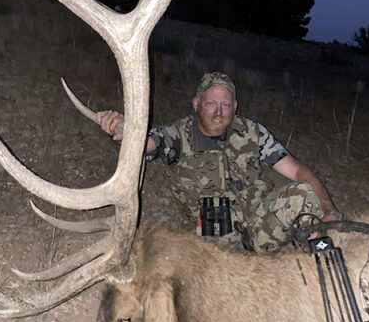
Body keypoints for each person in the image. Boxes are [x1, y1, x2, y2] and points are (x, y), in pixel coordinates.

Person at [98, 71, 341, 253]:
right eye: (211, 103)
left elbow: (298, 170)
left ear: (235, 107)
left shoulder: (251, 132)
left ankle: (319, 260)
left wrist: (328, 210)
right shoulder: (178, 135)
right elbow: (149, 143)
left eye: (225, 105)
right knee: (215, 219)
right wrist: (125, 129)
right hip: (210, 237)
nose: (218, 112)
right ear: (196, 104)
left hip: (258, 227)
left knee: (304, 193)